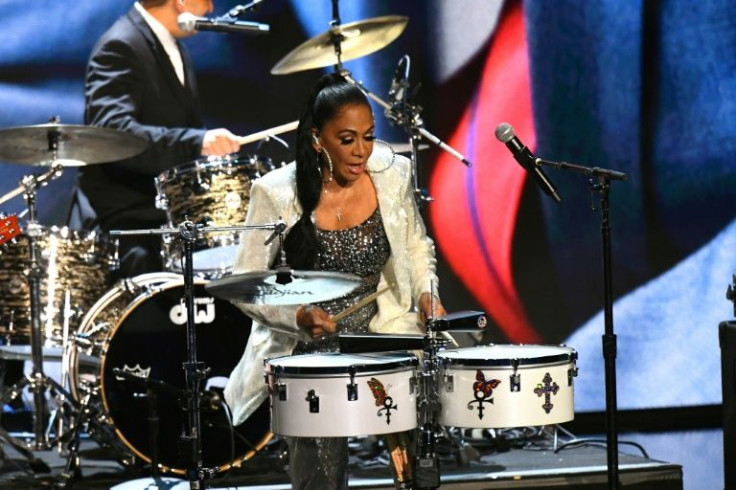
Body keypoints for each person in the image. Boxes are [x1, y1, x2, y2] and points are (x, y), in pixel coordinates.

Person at [224, 72, 446, 489]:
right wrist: (298, 315)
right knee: (321, 478)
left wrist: (425, 293)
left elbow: (417, 247)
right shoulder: (276, 192)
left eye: (369, 136)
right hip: (312, 350)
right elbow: (247, 283)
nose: (362, 151)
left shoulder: (393, 174)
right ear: (316, 138)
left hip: (385, 334)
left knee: (420, 468)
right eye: (347, 139)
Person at [75, 0, 241, 276]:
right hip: (128, 224)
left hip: (165, 218)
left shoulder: (176, 47)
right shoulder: (120, 45)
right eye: (205, 0)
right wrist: (197, 143)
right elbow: (113, 133)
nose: (211, 8)